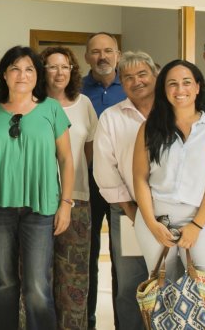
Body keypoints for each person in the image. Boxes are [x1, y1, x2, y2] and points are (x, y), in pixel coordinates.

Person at [0, 46, 73, 330]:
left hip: (40, 207)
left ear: (37, 75)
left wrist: (66, 204)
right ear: (4, 74)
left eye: (29, 69)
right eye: (15, 69)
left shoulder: (51, 108)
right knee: (4, 281)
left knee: (37, 285)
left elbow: (66, 159)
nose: (22, 75)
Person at [132, 59, 205, 329]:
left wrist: (196, 226)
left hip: (197, 219)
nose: (180, 89)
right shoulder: (150, 127)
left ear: (197, 87)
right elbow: (140, 178)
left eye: (186, 82)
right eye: (172, 84)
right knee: (163, 294)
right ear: (164, 90)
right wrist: (151, 223)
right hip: (155, 218)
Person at [91, 51, 157, 330]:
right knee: (131, 284)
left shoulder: (174, 111)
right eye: (128, 77)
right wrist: (132, 211)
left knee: (171, 281)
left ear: (155, 75)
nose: (136, 81)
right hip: (129, 212)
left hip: (174, 214)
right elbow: (104, 168)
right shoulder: (112, 117)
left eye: (142, 74)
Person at [40, 46, 98, 330]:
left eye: (65, 66)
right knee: (38, 276)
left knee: (74, 275)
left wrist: (70, 180)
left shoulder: (84, 104)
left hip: (77, 199)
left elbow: (88, 150)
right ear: (42, 71)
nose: (59, 72)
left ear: (73, 70)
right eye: (52, 66)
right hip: (38, 200)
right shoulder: (33, 103)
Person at [81, 31, 124, 328]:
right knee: (87, 258)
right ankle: (87, 321)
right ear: (87, 57)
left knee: (124, 259)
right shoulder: (77, 90)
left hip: (125, 186)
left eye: (108, 51)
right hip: (87, 183)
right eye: (96, 52)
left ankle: (126, 323)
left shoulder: (132, 87)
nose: (102, 57)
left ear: (118, 55)